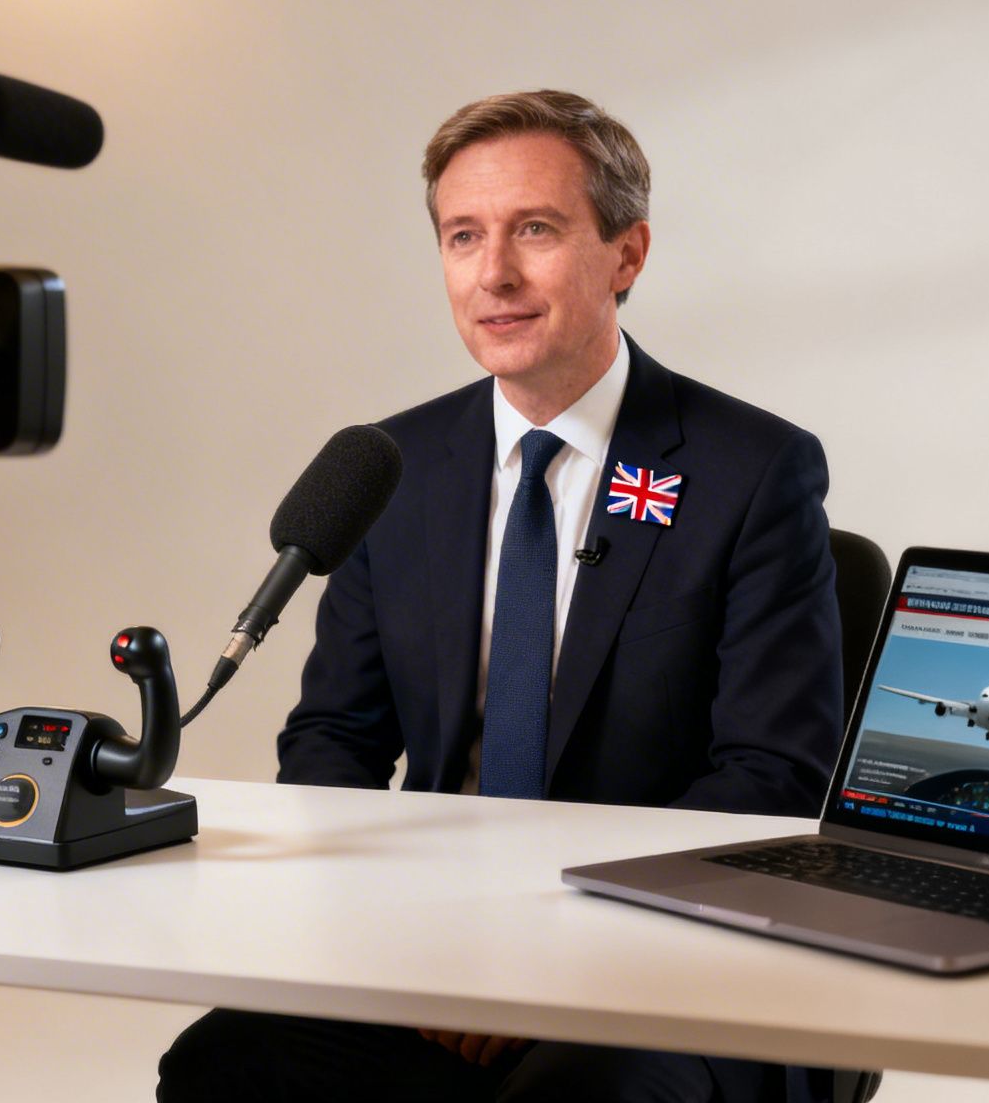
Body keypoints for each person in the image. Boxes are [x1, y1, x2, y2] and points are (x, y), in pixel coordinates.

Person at [158, 90, 844, 1103]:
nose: (493, 274)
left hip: (671, 960)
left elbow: (769, 777)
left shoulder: (755, 469)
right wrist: (417, 947)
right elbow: (331, 745)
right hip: (431, 953)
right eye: (462, 236)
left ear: (627, 253)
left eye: (534, 229)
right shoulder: (393, 467)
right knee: (222, 1066)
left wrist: (543, 955)